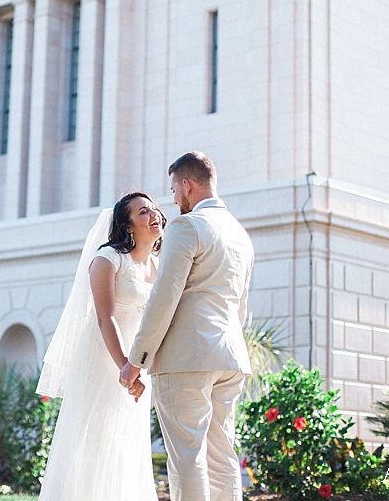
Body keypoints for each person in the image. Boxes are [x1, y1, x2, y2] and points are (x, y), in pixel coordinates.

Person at [120, 151, 254, 501]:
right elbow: (240, 307)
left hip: (187, 358)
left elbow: (164, 298)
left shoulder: (187, 225)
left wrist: (137, 360)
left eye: (174, 191)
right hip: (229, 357)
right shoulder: (241, 235)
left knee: (187, 457)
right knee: (222, 454)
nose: (174, 199)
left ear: (187, 184)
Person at [36, 192, 167, 501]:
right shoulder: (107, 259)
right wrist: (125, 366)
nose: (154, 215)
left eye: (155, 209)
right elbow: (105, 318)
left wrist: (138, 367)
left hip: (136, 365)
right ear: (129, 226)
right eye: (143, 212)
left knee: (126, 443)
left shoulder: (159, 266)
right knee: (92, 441)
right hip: (103, 360)